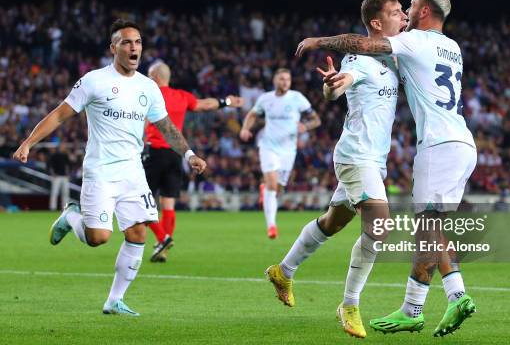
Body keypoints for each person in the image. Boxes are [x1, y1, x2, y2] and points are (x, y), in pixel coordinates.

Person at [297, 0, 478, 337]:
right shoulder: (452, 47)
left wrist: (319, 41)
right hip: (463, 143)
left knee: (427, 226)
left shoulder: (415, 42)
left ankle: (431, 303)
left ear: (425, 12)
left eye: (411, 6)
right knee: (432, 227)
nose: (407, 13)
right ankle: (442, 299)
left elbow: (364, 45)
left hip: (438, 145)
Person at [12, 19, 206, 316]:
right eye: (127, 42)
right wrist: (28, 142)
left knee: (138, 233)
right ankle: (71, 216)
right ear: (113, 48)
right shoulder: (94, 81)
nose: (134, 47)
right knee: (97, 238)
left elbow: (166, 127)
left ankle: (114, 300)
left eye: (138, 42)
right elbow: (60, 115)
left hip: (132, 171)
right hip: (101, 170)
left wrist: (189, 153)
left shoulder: (148, 87)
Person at [266, 0, 407, 339]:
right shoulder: (358, 58)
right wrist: (333, 85)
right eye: (396, 12)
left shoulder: (396, 56)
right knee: (379, 226)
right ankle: (350, 303)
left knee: (332, 223)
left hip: (374, 159)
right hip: (356, 156)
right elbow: (339, 87)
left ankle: (283, 271)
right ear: (377, 23)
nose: (403, 16)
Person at [144, 61, 244, 263]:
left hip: (152, 152)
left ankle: (162, 238)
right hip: (175, 154)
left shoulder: (148, 94)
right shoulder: (181, 96)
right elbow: (204, 105)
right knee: (168, 203)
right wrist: (226, 102)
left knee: (140, 202)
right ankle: (163, 249)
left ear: (154, 77)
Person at [240, 68, 321, 239]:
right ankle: (271, 226)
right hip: (268, 147)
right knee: (271, 184)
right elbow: (252, 114)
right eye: (282, 79)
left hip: (288, 150)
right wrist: (245, 129)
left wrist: (305, 126)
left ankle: (266, 190)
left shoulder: (297, 98)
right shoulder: (266, 99)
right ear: (275, 81)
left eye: (287, 79)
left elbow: (316, 119)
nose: (285, 82)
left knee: (278, 188)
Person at [47, 142, 71, 210]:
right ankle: (52, 207)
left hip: (64, 176)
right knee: (54, 192)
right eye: (63, 146)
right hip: (56, 177)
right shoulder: (54, 155)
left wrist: (68, 174)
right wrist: (52, 173)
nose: (64, 147)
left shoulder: (65, 155)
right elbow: (49, 165)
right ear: (60, 147)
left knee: (65, 193)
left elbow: (69, 165)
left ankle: (65, 208)